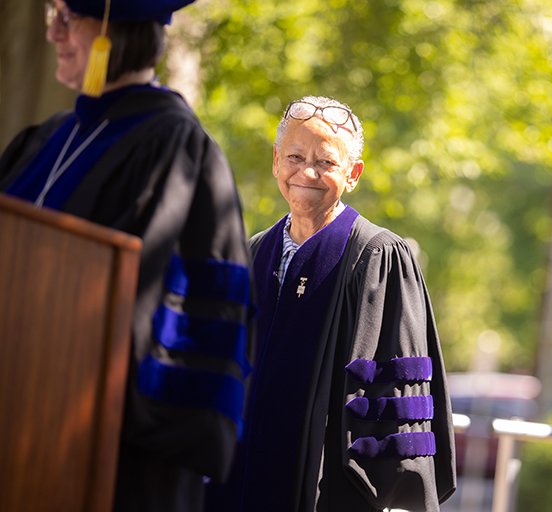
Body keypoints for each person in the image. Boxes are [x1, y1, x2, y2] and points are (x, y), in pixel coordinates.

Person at [0, 1, 253, 511]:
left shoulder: (176, 148)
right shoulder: (44, 140)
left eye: (67, 17)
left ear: (112, 29)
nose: (53, 33)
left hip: (104, 457)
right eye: (52, 15)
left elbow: (179, 319)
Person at [203, 96, 456, 512]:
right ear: (275, 161)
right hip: (233, 480)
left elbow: (397, 389)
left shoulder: (378, 258)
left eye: (326, 162)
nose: (307, 172)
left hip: (324, 490)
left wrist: (390, 494)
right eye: (295, 157)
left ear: (353, 174)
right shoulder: (251, 254)